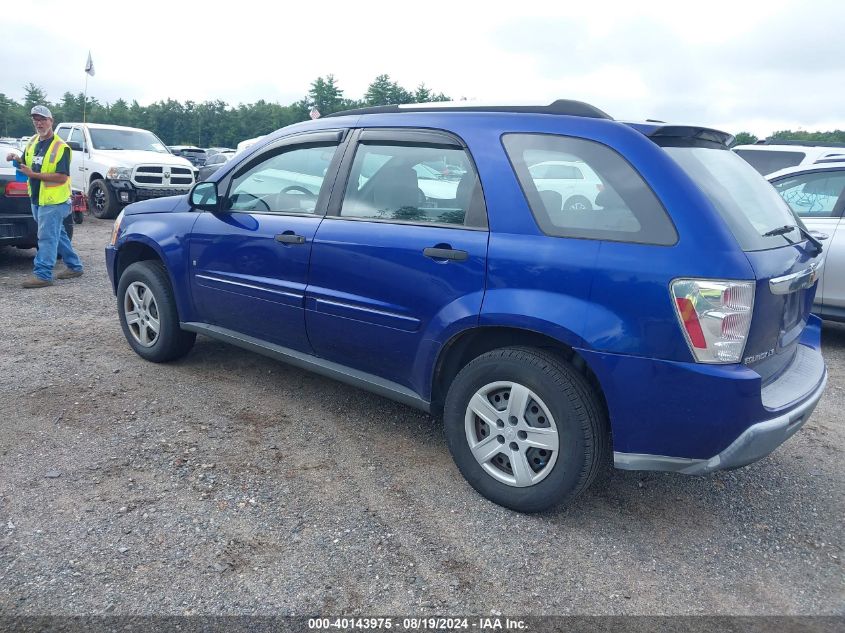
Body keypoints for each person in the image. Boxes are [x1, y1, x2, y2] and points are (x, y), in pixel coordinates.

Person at [5, 105, 83, 288]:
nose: (39, 123)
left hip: (54, 201)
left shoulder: (60, 147)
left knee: (46, 237)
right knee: (58, 234)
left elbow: (62, 177)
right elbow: (26, 164)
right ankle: (75, 266)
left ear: (51, 121)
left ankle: (43, 274)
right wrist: (15, 158)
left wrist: (34, 175)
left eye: (43, 119)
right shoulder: (33, 142)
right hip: (38, 199)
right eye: (36, 120)